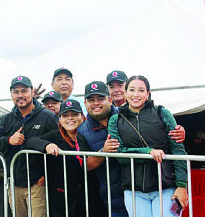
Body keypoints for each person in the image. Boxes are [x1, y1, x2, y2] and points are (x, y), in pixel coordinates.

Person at [108, 75, 188, 217]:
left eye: (141, 90)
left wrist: (182, 185)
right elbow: (119, 153)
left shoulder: (162, 113)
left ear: (148, 94)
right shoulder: (116, 119)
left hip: (165, 187)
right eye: (132, 90)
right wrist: (148, 152)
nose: (136, 95)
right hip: (133, 189)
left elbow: (178, 149)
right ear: (125, 93)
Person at [0, 75, 58, 217]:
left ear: (32, 92)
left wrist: (45, 176)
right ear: (11, 94)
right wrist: (9, 140)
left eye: (24, 91)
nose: (20, 95)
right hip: (14, 184)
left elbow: (58, 146)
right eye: (16, 92)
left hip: (37, 184)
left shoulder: (47, 117)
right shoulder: (6, 119)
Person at [25, 99, 107, 217]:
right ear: (60, 119)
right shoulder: (55, 136)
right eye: (65, 115)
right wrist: (47, 145)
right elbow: (31, 141)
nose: (70, 118)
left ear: (82, 116)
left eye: (74, 114)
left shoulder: (91, 134)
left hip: (91, 199)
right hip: (63, 201)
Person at [77, 81, 128, 217]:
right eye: (91, 100)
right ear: (85, 103)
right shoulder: (82, 130)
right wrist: (103, 152)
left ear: (110, 100)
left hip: (141, 193)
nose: (96, 103)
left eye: (100, 98)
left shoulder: (126, 116)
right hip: (114, 200)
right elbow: (85, 165)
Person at [106, 70, 186, 140]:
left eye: (120, 85)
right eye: (112, 87)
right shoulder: (106, 113)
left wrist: (178, 132)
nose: (116, 90)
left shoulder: (156, 111)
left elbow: (173, 139)